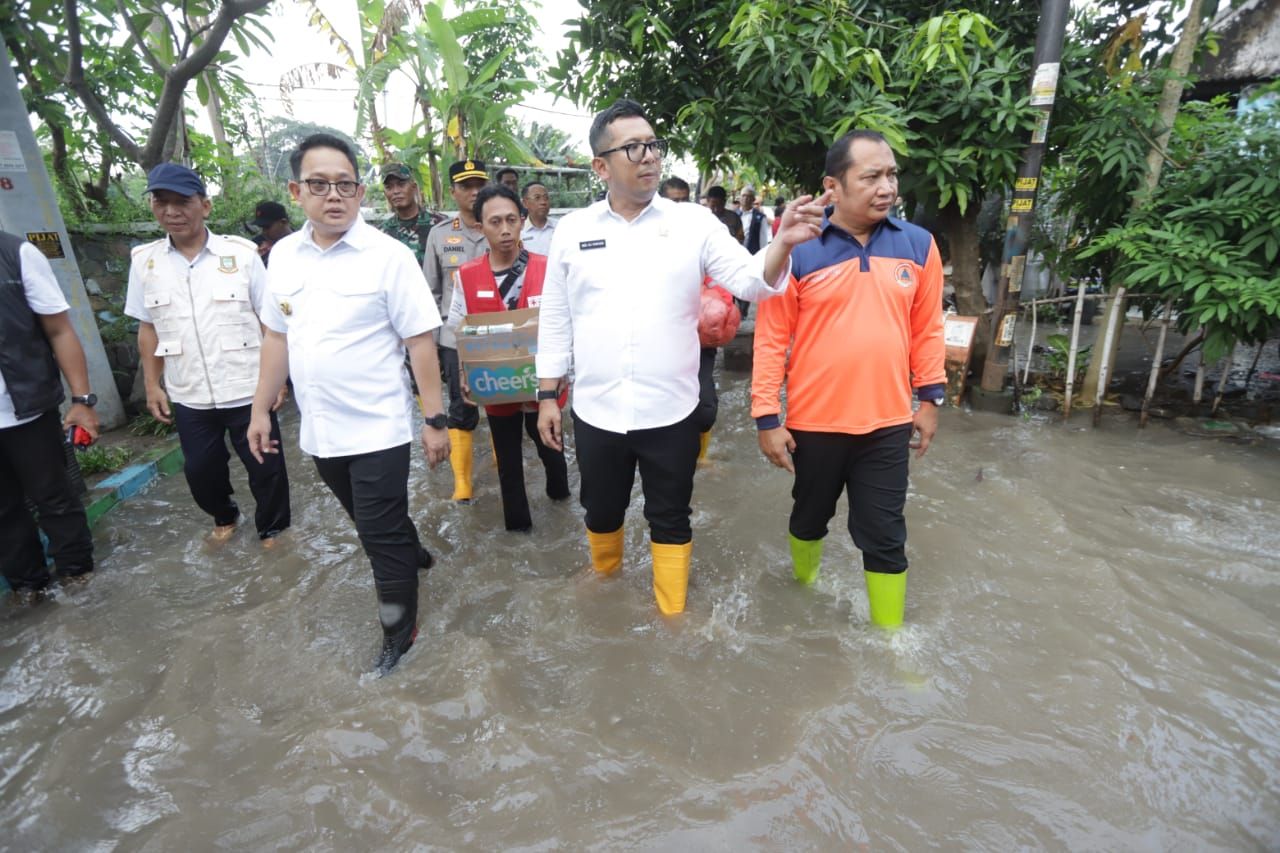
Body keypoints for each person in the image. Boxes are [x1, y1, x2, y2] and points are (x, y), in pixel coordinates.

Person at [535, 98, 828, 615]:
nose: (649, 156)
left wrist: (781, 243)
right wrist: (546, 395)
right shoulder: (573, 231)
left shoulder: (692, 223)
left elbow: (749, 281)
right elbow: (557, 317)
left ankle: (671, 611)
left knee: (671, 514)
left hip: (670, 409)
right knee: (600, 509)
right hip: (597, 408)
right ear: (600, 165)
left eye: (653, 145)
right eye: (633, 147)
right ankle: (604, 575)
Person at [247, 133, 450, 677]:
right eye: (319, 184)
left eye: (344, 185)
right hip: (320, 431)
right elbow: (276, 338)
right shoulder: (283, 256)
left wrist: (435, 421)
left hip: (379, 426)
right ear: (296, 190)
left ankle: (398, 639)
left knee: (378, 538)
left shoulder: (387, 256)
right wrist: (260, 409)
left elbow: (420, 343)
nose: (332, 196)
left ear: (360, 192)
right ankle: (419, 555)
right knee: (368, 521)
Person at [752, 130, 945, 629]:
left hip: (886, 424)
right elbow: (771, 339)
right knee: (808, 519)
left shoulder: (918, 245)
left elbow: (927, 329)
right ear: (832, 187)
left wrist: (930, 400)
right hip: (815, 424)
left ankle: (891, 642)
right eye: (871, 176)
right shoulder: (798, 250)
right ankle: (804, 593)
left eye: (892, 175)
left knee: (885, 534)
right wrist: (767, 418)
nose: (887, 187)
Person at [125, 163, 291, 544]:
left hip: (247, 386)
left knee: (266, 466)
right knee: (201, 470)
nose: (171, 211)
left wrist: (278, 381)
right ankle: (224, 516)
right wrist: (153, 385)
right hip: (189, 391)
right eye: (161, 202)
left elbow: (270, 324)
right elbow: (147, 328)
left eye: (182, 202)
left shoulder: (243, 256)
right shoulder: (145, 263)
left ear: (205, 205)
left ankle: (274, 530)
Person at [446, 185, 569, 532]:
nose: (504, 229)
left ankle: (561, 508)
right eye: (495, 221)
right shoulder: (466, 277)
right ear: (480, 227)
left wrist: (565, 372)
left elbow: (565, 325)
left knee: (551, 451)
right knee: (508, 464)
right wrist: (464, 375)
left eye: (511, 220)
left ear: (522, 221)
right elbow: (460, 331)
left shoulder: (549, 269)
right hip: (497, 384)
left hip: (542, 386)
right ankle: (519, 530)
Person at [0, 231, 99, 594]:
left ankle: (78, 580)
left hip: (26, 409)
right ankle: (29, 592)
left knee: (54, 497)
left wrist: (82, 400)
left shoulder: (17, 255)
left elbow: (59, 330)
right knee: (3, 513)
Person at [659, 176, 740, 461]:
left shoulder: (702, 237)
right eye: (672, 201)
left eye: (683, 200)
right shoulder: (644, 243)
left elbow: (725, 284)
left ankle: (701, 458)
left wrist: (716, 307)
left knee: (705, 408)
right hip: (659, 341)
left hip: (699, 341)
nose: (678, 207)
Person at [423, 159, 488, 502]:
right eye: (466, 186)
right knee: (461, 407)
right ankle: (463, 483)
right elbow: (430, 292)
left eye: (479, 184)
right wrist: (433, 343)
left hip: (499, 335)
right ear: (454, 192)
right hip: (455, 338)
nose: (474, 192)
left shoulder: (501, 226)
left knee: (505, 403)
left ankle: (500, 460)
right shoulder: (439, 234)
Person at [378, 162, 434, 265]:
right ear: (385, 193)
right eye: (389, 187)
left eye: (401, 184)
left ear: (414, 187)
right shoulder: (380, 234)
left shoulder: (438, 225)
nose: (395, 191)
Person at [737, 187, 772, 322]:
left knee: (747, 284)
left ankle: (743, 311)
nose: (745, 199)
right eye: (743, 195)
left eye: (748, 196)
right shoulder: (733, 214)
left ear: (753, 199)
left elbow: (763, 239)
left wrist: (762, 259)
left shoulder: (760, 217)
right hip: (735, 257)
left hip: (751, 256)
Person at [519, 181, 557, 255]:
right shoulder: (519, 232)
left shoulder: (560, 227)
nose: (543, 202)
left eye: (546, 198)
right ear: (525, 203)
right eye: (537, 198)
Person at [251, 200, 292, 266]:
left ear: (283, 222)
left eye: (267, 227)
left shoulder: (302, 243)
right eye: (262, 227)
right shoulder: (255, 244)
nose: (264, 232)